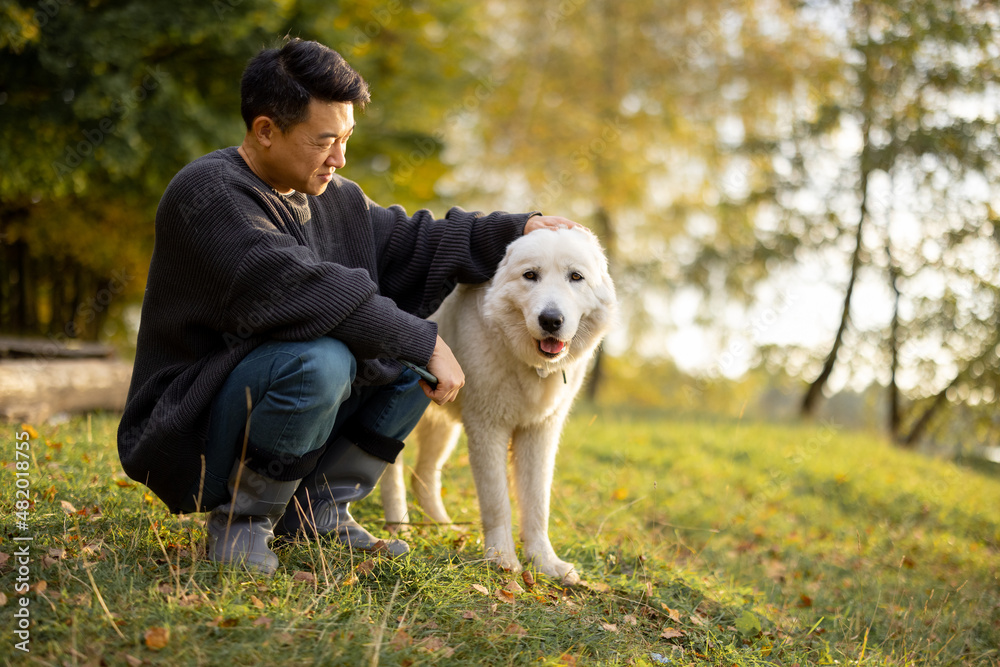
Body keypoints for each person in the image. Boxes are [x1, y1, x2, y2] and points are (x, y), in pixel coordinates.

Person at [116, 37, 581, 575]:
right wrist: (424, 340)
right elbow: (303, 286)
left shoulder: (334, 196)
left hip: (264, 406)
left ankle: (319, 514)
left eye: (347, 139)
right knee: (324, 359)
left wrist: (516, 228)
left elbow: (417, 242)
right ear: (265, 131)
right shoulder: (207, 194)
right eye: (325, 141)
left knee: (401, 361)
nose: (340, 158)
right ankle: (242, 523)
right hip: (189, 424)